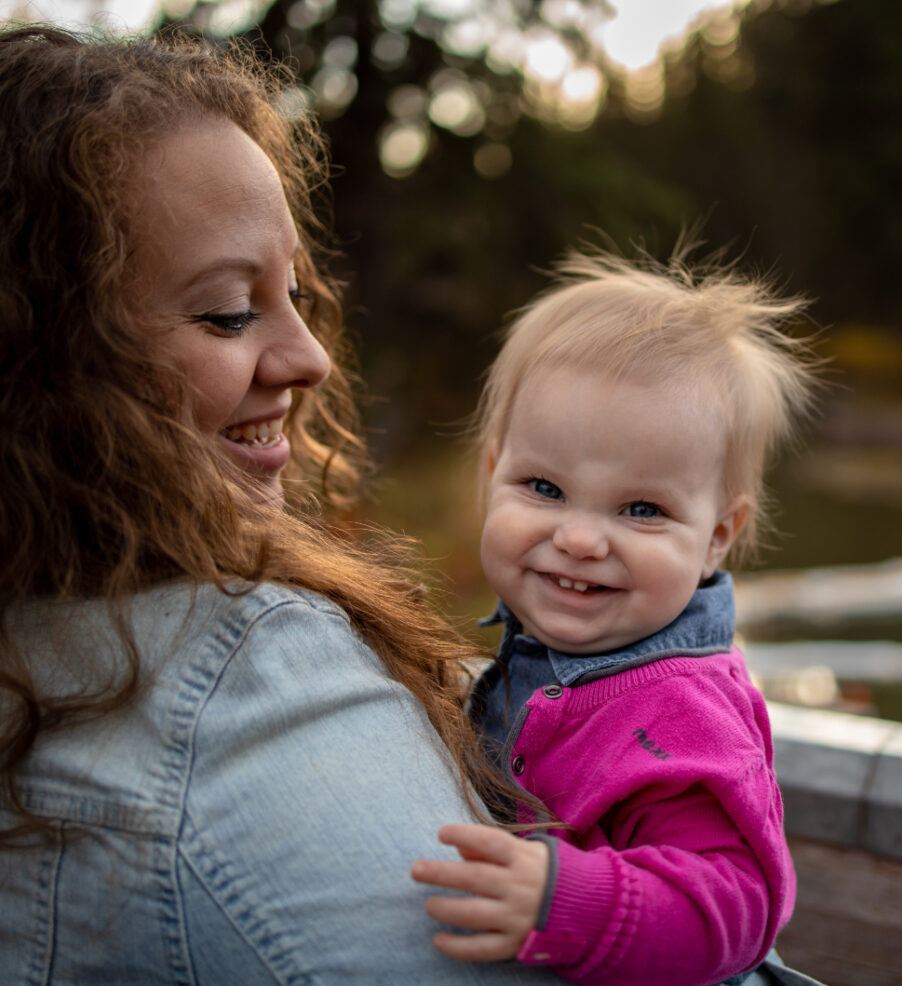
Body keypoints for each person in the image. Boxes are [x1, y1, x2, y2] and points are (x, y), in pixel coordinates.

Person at [0, 25, 559, 984]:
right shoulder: (242, 687)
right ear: (40, 364)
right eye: (227, 312)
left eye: (296, 291)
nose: (311, 358)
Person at [412, 250, 826, 986]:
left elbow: (737, 907)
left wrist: (566, 898)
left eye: (642, 509)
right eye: (544, 487)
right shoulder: (546, 653)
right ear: (490, 475)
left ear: (717, 537)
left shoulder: (678, 712)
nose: (580, 538)